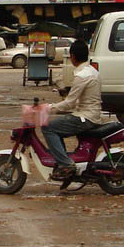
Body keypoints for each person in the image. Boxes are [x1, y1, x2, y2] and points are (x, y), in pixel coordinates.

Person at [42, 39, 101, 180]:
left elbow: (69, 103)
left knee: (48, 127)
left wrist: (48, 108)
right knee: (58, 127)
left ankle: (66, 164)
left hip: (86, 117)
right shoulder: (92, 71)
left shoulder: (81, 76)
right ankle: (62, 161)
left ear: (73, 57)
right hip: (91, 114)